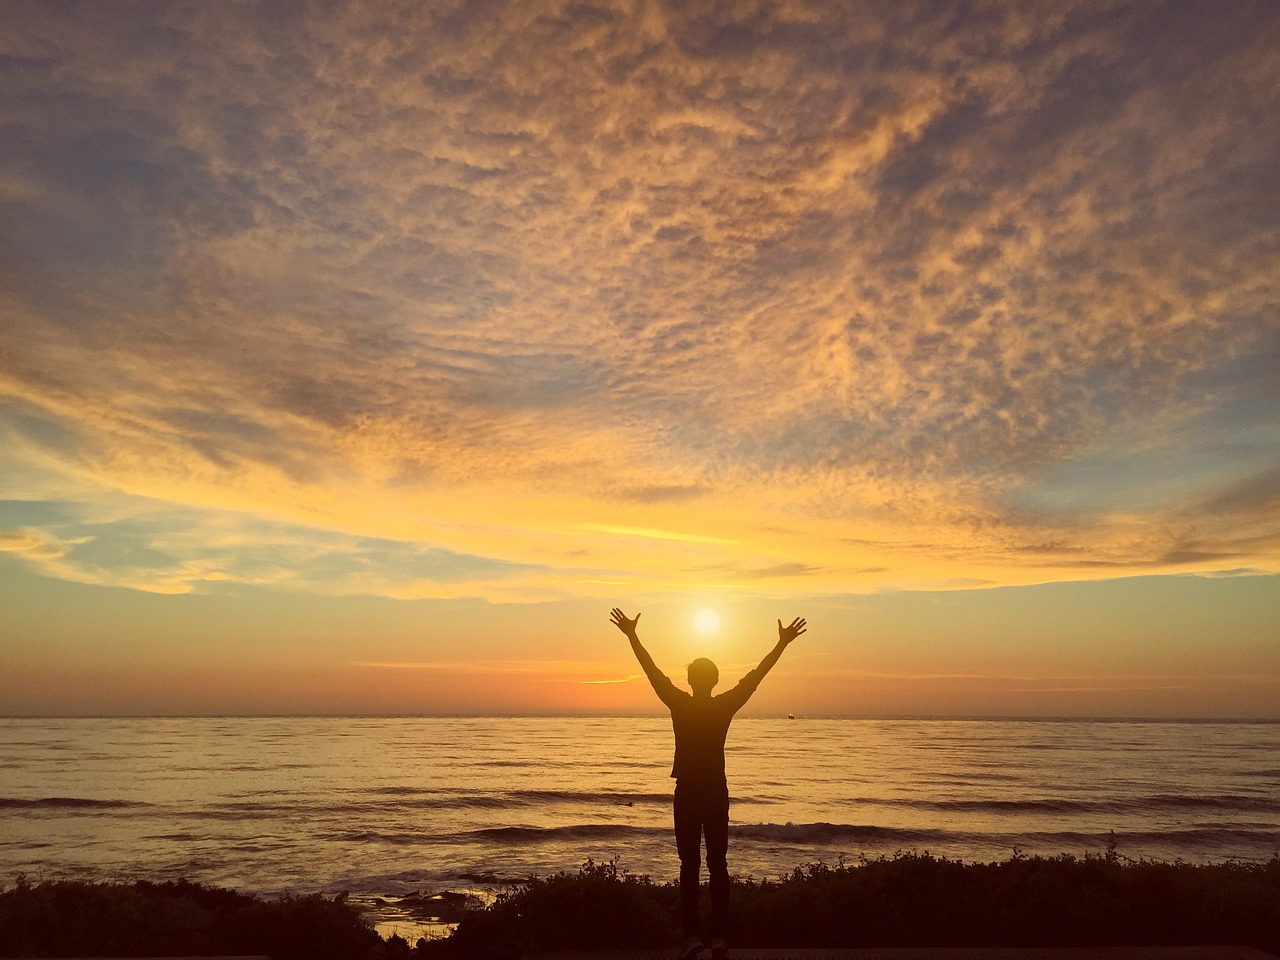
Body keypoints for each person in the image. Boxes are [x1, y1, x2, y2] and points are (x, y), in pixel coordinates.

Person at [609, 608, 806, 960]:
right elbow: (755, 677)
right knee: (718, 864)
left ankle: (693, 937)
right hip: (715, 791)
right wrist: (781, 644)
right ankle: (718, 938)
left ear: (690, 681)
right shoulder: (724, 705)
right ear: (714, 682)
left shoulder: (680, 703)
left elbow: (652, 673)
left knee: (690, 865)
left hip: (688, 791)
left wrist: (632, 636)